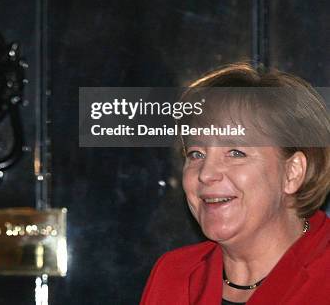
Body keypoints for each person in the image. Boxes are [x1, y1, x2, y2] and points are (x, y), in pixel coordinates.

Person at [141, 63, 330, 305]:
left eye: (235, 152)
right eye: (196, 154)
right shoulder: (173, 274)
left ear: (292, 172)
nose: (206, 174)